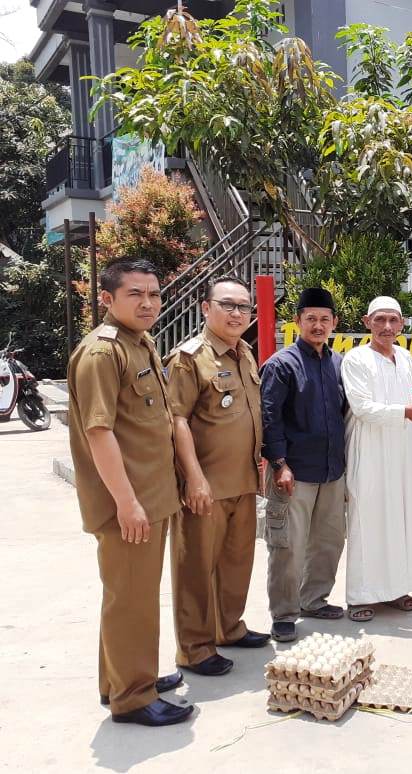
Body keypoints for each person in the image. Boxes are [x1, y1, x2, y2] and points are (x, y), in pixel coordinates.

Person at [66, 258, 193, 726]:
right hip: (128, 504)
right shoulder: (102, 353)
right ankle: (133, 698)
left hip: (150, 497)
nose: (148, 302)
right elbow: (99, 433)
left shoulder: (141, 344)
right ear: (108, 299)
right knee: (131, 600)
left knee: (132, 596)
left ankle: (122, 679)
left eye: (154, 293)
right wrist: (127, 502)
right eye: (135, 293)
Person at [165, 277, 269, 678]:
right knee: (196, 568)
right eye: (228, 305)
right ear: (205, 309)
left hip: (242, 481)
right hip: (205, 486)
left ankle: (229, 628)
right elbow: (177, 420)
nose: (237, 313)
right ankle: (193, 648)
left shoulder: (245, 354)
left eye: (244, 307)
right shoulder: (189, 358)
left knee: (236, 561)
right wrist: (193, 478)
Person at [260, 288, 348, 643]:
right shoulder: (281, 365)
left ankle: (314, 600)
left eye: (324, 319)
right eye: (310, 318)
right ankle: (284, 613)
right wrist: (279, 463)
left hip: (331, 470)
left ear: (334, 324)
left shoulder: (339, 363)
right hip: (292, 473)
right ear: (297, 322)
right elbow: (269, 418)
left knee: (328, 541)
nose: (318, 325)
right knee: (287, 547)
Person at [340, 297, 412, 622]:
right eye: (380, 320)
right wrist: (406, 411)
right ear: (367, 322)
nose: (387, 327)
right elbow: (362, 407)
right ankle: (360, 595)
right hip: (369, 449)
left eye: (393, 320)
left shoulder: (405, 358)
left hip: (401, 450)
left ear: (403, 324)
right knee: (369, 519)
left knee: (401, 517)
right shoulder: (356, 360)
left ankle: (397, 588)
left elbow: (408, 397)